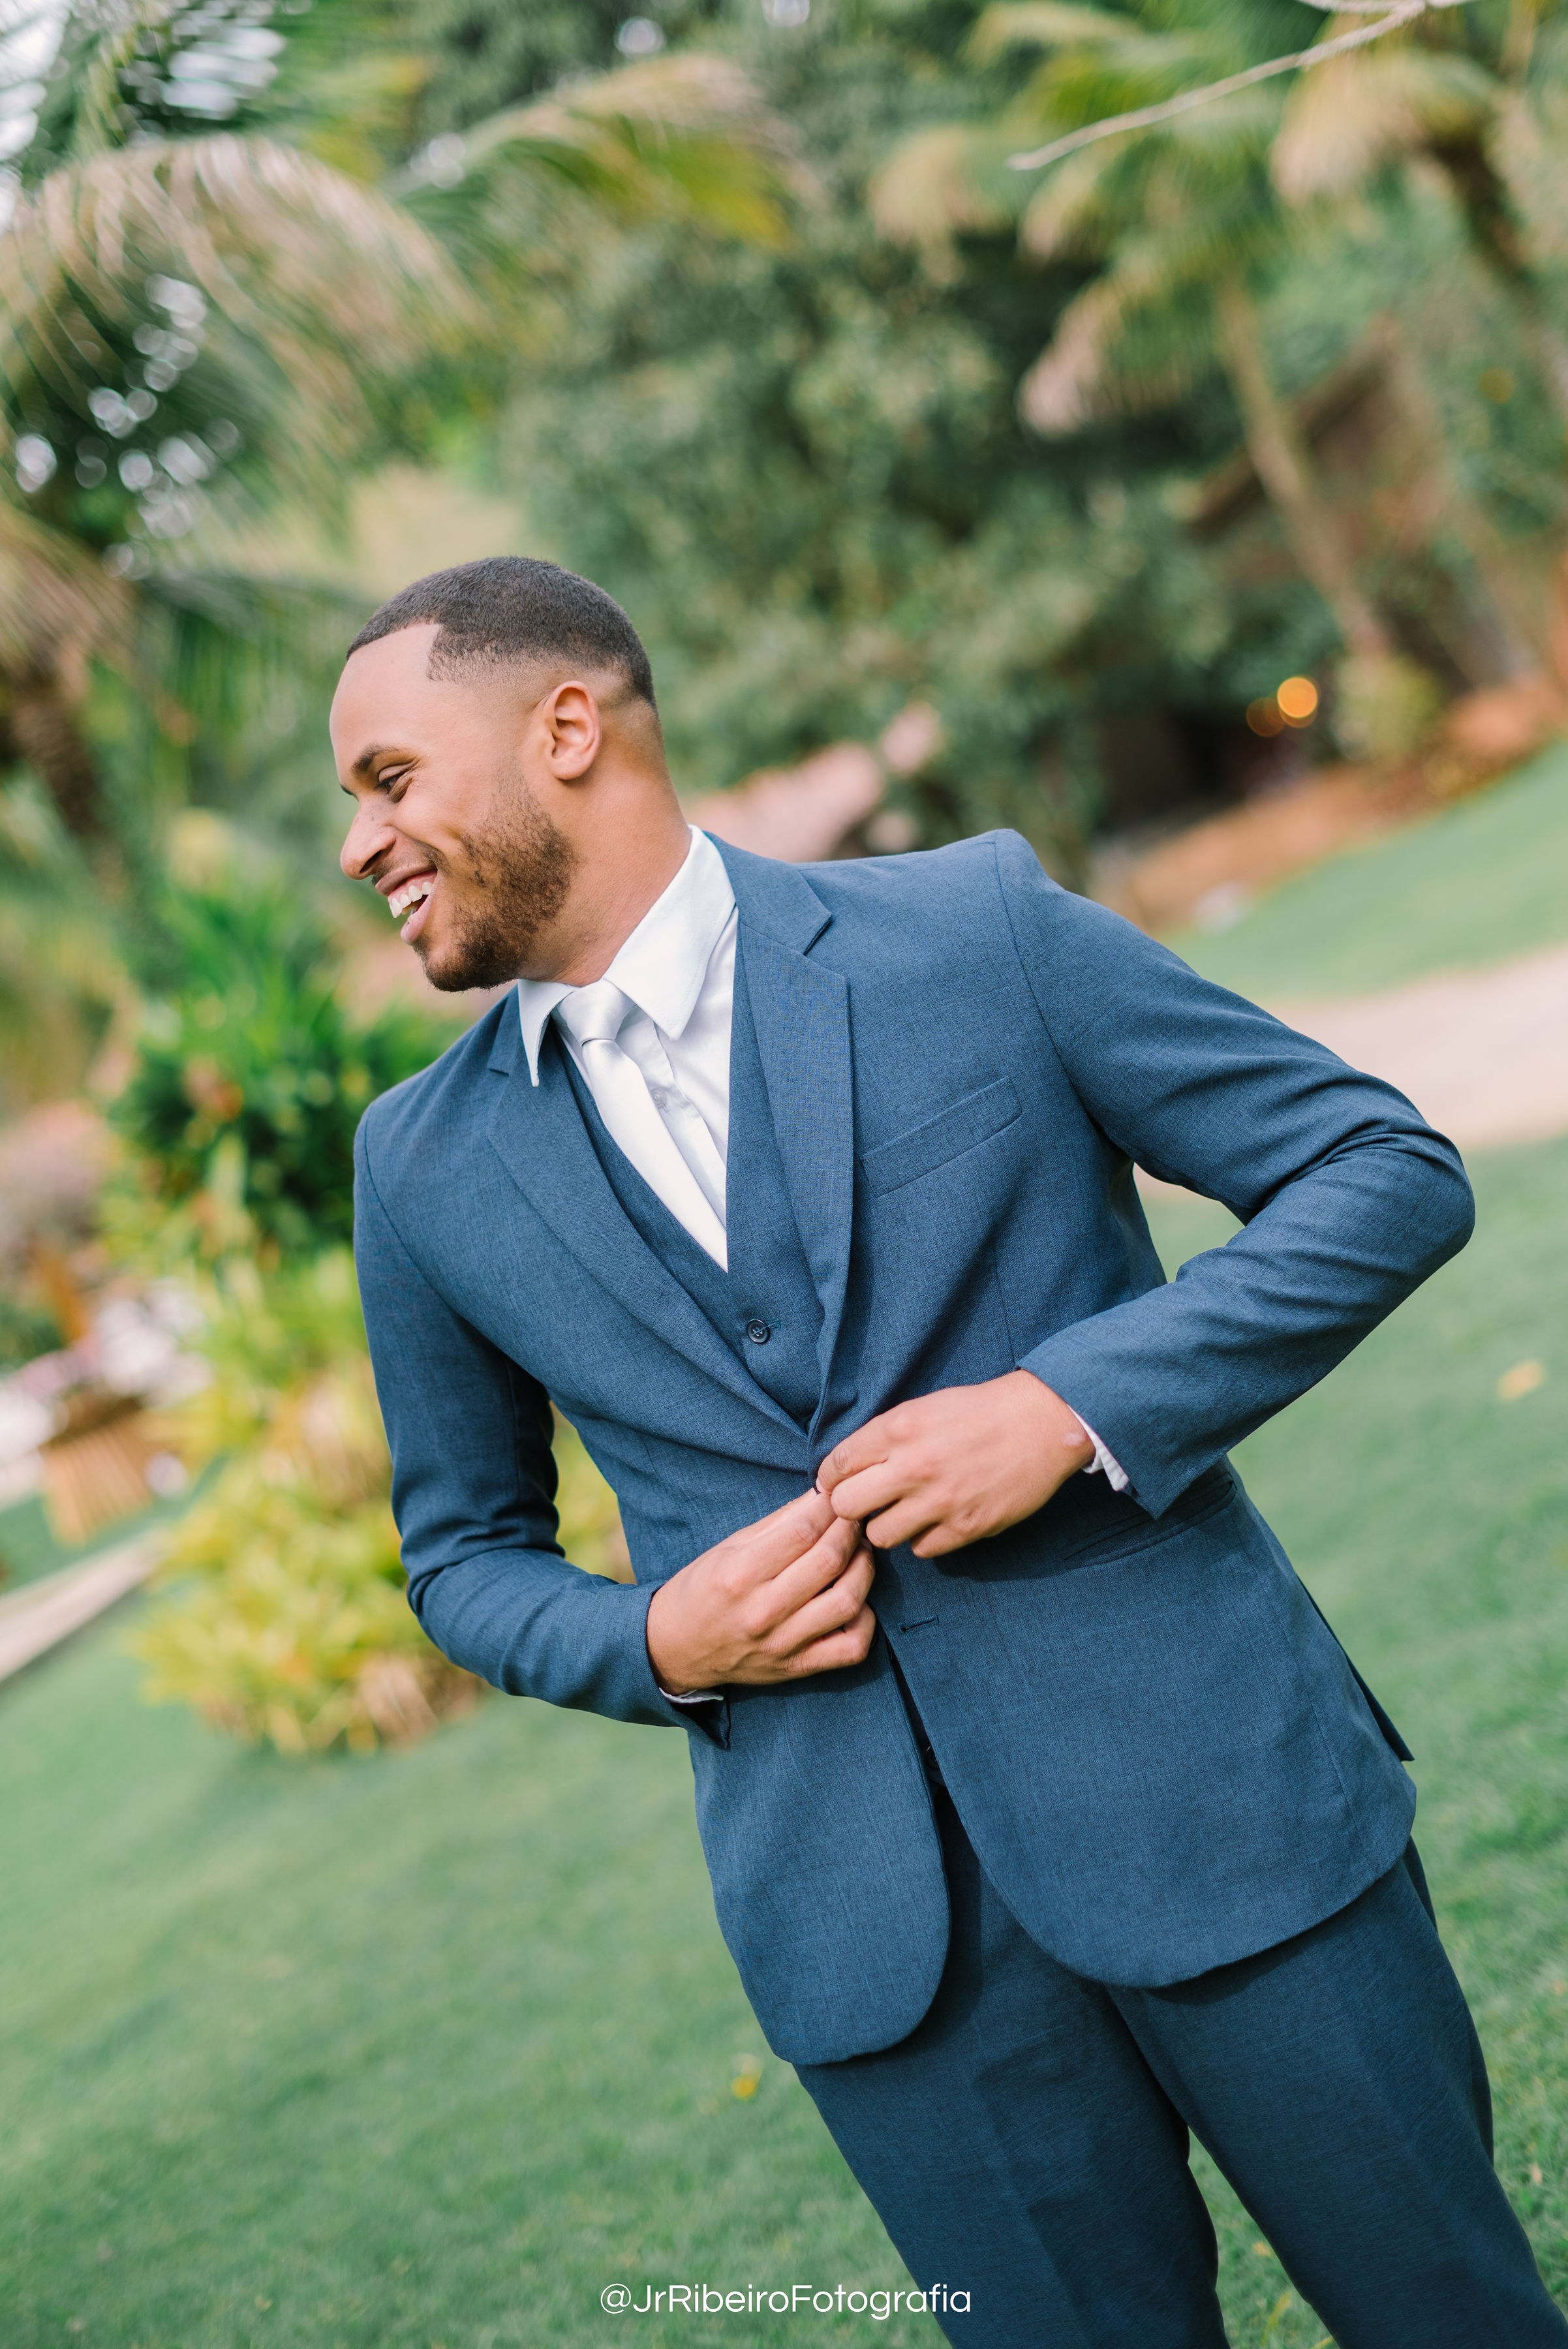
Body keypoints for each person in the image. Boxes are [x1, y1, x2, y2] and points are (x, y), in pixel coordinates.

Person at [333, 555, 1564, 2348]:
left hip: (1223, 1804)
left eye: (390, 780)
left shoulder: (975, 929)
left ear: (568, 727)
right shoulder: (418, 1166)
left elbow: (1377, 1170)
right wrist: (655, 1639)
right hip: (876, 1961)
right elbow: (460, 1557)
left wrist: (1066, 1408)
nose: (360, 844)